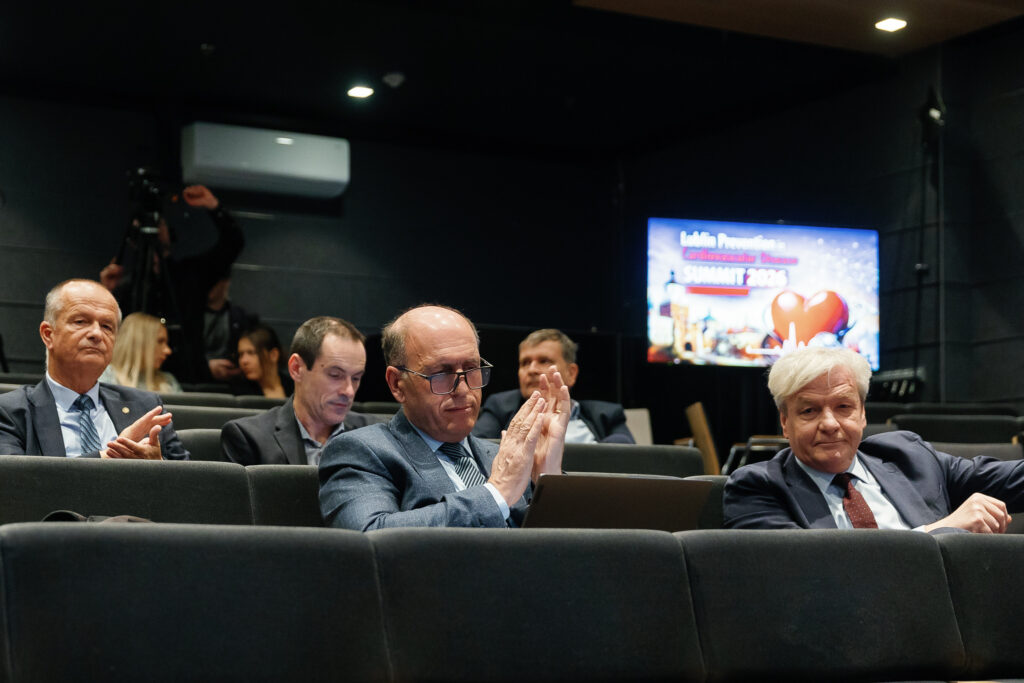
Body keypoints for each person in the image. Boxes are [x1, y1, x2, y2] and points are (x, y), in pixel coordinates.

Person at [319, 304, 570, 530]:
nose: (463, 389)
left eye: (471, 368)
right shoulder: (361, 452)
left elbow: (558, 552)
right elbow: (370, 537)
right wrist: (495, 493)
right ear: (397, 383)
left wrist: (546, 483)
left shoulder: (503, 457)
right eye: (441, 373)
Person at [723, 346, 1024, 533]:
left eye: (843, 407)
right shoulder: (757, 487)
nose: (829, 424)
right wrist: (939, 532)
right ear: (785, 423)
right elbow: (807, 573)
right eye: (809, 411)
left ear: (863, 414)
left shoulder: (908, 457)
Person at [0, 279, 189, 459]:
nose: (97, 333)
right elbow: (16, 479)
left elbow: (188, 477)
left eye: (107, 326)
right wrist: (110, 457)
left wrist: (158, 465)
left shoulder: (146, 406)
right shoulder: (10, 412)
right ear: (48, 335)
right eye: (80, 322)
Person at [100, 184, 246, 384]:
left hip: (188, 377)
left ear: (169, 231)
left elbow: (233, 243)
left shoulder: (191, 274)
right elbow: (106, 331)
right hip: (136, 378)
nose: (153, 230)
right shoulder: (129, 286)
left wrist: (214, 206)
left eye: (159, 224)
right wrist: (105, 293)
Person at [221, 316, 382, 466]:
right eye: (335, 375)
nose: (349, 391)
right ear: (296, 368)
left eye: (356, 378)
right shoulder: (249, 438)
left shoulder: (376, 435)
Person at [473, 328, 634, 443]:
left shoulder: (606, 415)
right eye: (525, 363)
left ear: (571, 373)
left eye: (544, 361)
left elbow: (627, 458)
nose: (532, 370)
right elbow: (477, 447)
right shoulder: (500, 407)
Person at [99, 312, 182, 393]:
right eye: (160, 341)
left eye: (166, 343)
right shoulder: (106, 375)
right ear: (138, 343)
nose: (168, 351)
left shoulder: (168, 381)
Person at [233, 324, 293, 398]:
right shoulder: (241, 391)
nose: (244, 361)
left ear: (273, 355)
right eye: (241, 354)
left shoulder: (294, 388)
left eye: (251, 353)